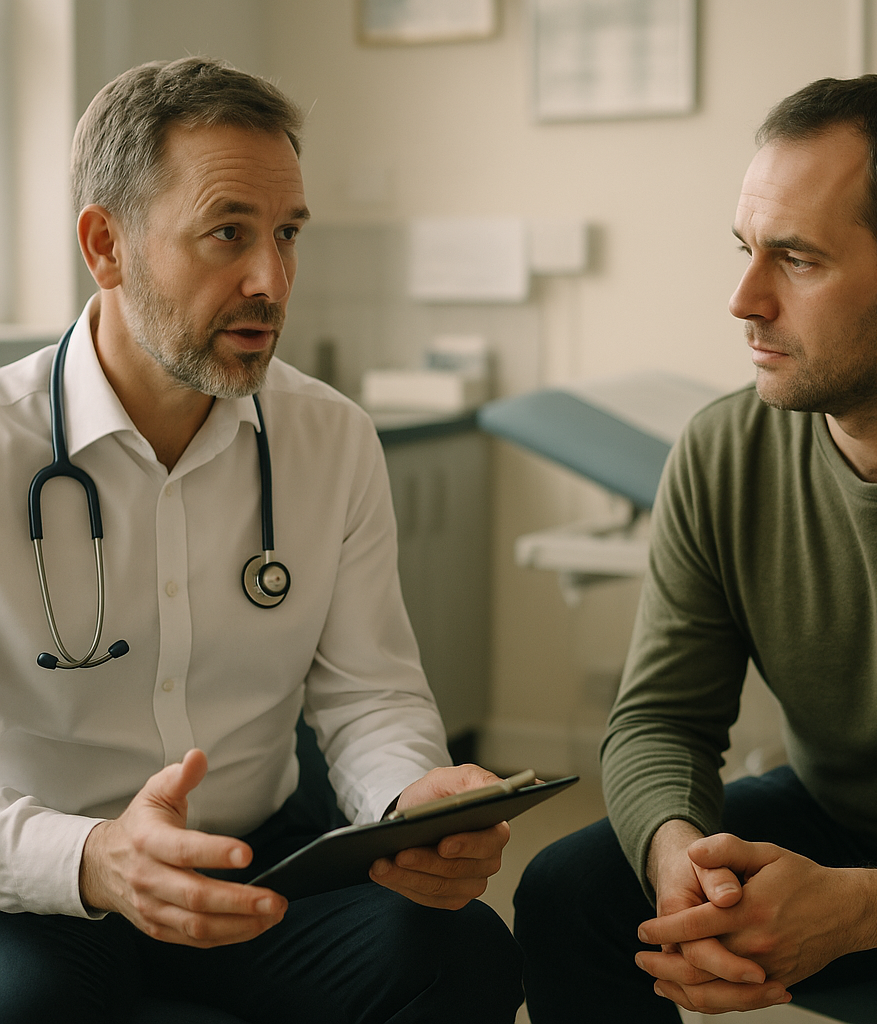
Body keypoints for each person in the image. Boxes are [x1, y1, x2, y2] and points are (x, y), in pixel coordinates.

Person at [0, 58, 523, 1023]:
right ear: (106, 245)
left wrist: (411, 805)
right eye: (227, 233)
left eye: (287, 235)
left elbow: (369, 694)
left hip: (264, 861)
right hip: (48, 886)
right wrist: (93, 859)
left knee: (461, 955)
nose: (270, 281)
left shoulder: (330, 439)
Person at [514, 74, 877, 1024]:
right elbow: (661, 716)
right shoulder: (723, 450)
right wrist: (679, 862)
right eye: (746, 251)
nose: (744, 300)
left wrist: (875, 907)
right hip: (834, 821)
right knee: (568, 893)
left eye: (797, 259)